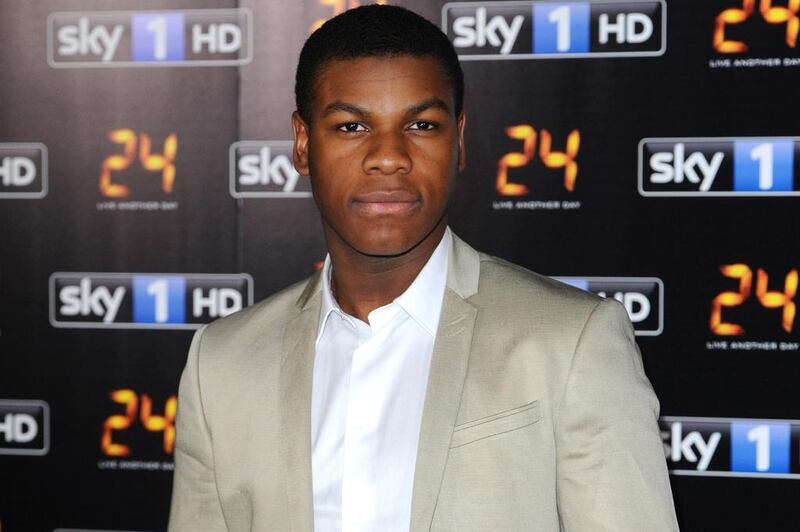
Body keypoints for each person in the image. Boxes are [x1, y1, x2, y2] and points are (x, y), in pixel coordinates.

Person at [168, 5, 679, 532]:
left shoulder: (573, 342)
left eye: (420, 124)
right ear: (302, 143)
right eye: (351, 125)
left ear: (458, 140)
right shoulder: (221, 365)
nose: (388, 156)